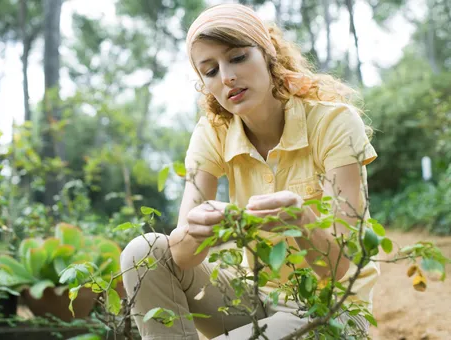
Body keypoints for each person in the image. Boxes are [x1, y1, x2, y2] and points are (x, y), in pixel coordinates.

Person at [120, 3, 379, 339]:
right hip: (253, 299)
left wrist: (302, 221)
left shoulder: (333, 123)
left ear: (268, 55)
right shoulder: (212, 133)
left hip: (333, 306)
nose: (227, 76)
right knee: (144, 251)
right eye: (210, 70)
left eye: (238, 57)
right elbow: (181, 258)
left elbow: (340, 267)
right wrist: (197, 231)